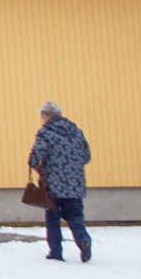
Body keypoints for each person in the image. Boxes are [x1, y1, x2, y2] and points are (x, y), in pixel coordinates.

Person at [29, 101, 93, 262]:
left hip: (53, 184)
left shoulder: (46, 132)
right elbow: (86, 157)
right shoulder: (77, 131)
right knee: (76, 216)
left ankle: (56, 253)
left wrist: (40, 169)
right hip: (75, 184)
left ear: (46, 116)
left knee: (53, 218)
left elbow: (35, 157)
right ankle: (83, 239)